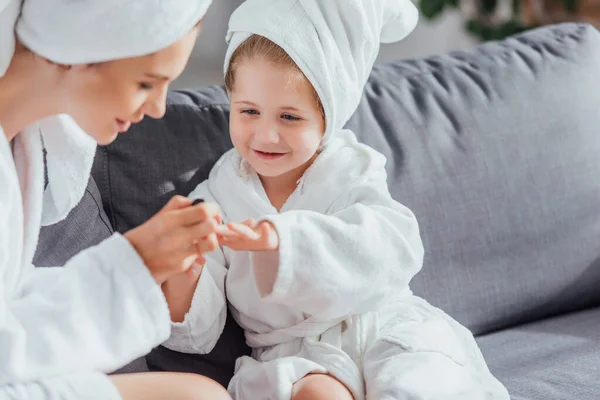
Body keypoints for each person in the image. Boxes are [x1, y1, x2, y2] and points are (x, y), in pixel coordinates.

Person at [161, 0, 512, 399]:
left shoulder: (352, 169)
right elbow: (197, 332)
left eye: (289, 117)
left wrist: (285, 244)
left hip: (382, 326)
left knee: (415, 384)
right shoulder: (218, 196)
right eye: (249, 111)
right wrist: (184, 276)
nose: (265, 135)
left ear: (329, 113)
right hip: (294, 355)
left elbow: (394, 248)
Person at [0, 1, 231, 399]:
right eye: (146, 83)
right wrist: (133, 266)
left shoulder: (23, 147)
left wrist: (148, 264)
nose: (158, 108)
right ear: (81, 47)